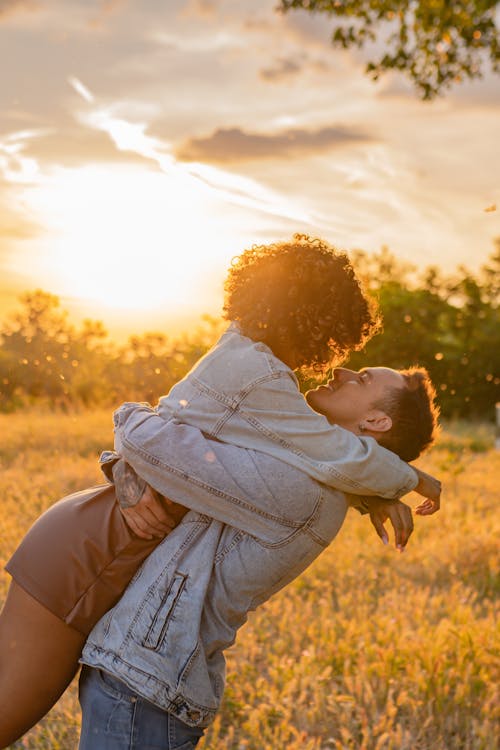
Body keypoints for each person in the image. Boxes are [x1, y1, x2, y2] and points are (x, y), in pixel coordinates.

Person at [0, 236, 440, 748]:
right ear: (319, 315)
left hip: (89, 543)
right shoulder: (262, 381)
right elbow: (317, 453)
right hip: (91, 553)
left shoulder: (258, 380)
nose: (341, 363)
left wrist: (373, 490)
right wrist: (401, 480)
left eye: (361, 376)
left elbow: (307, 458)